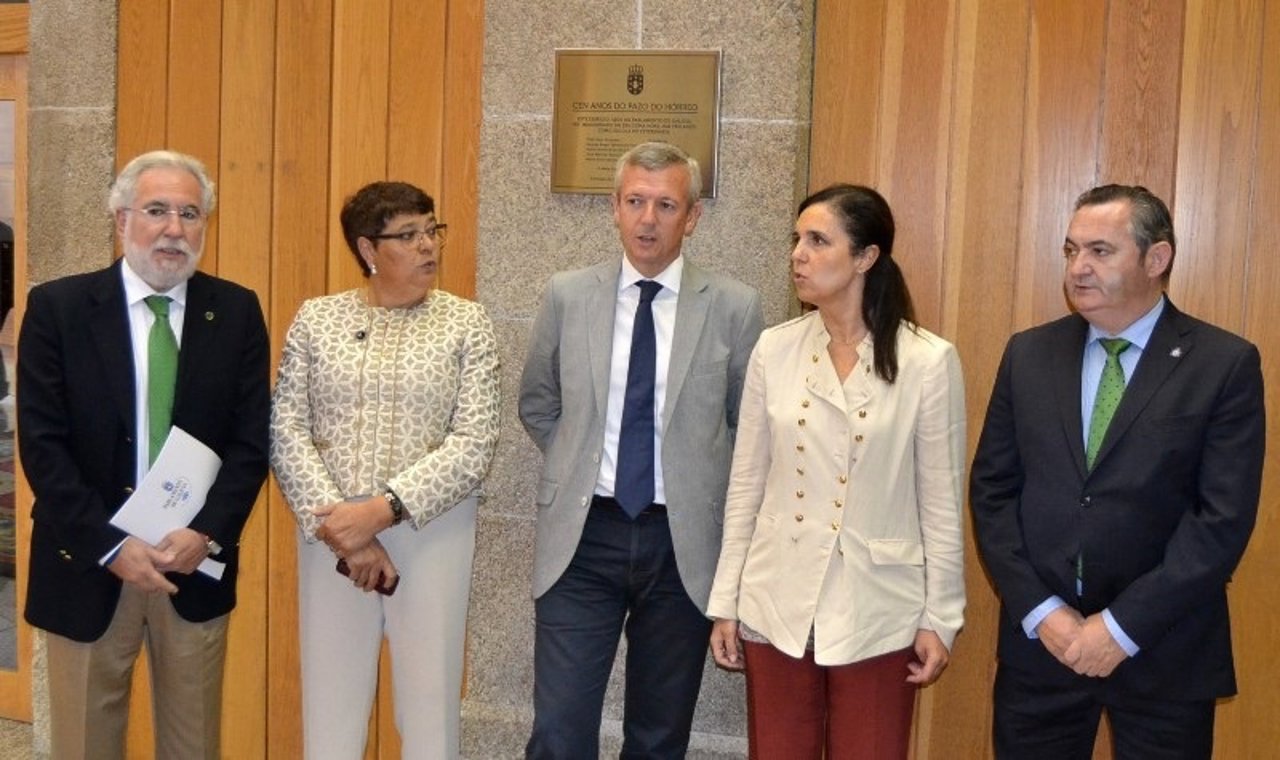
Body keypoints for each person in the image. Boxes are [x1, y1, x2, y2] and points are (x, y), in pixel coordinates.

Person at [970, 184, 1266, 758]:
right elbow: (992, 492)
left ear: (1157, 259)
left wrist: (1119, 628)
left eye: (1100, 251)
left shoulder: (1223, 363)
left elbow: (1221, 519)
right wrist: (1043, 613)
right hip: (1043, 650)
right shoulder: (1028, 354)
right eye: (1071, 250)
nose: (1078, 267)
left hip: (1166, 651)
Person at [18, 150, 270, 759]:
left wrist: (206, 533)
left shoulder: (235, 311)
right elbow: (43, 446)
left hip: (192, 566)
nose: (174, 229)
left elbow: (251, 442)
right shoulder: (58, 309)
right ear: (121, 219)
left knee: (194, 746)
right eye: (157, 210)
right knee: (84, 746)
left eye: (190, 213)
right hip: (88, 563)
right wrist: (111, 545)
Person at [519, 141, 764, 758]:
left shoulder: (734, 307)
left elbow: (747, 426)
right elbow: (538, 402)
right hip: (583, 538)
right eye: (635, 202)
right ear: (614, 207)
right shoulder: (568, 294)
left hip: (681, 545)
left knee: (659, 737)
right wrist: (579, 461)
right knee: (559, 730)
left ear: (693, 216)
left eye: (665, 205)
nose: (647, 219)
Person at [706, 184, 966, 758]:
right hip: (777, 596)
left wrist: (941, 618)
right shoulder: (775, 349)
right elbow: (746, 485)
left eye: (818, 241)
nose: (798, 254)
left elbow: (941, 504)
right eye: (797, 239)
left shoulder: (927, 361)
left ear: (866, 257)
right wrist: (726, 601)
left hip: (879, 604)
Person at [271, 180, 499, 759]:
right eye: (408, 235)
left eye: (432, 230)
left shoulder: (465, 323)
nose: (428, 246)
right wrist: (344, 530)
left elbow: (475, 442)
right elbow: (286, 429)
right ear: (368, 249)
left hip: (431, 533)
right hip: (333, 539)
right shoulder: (318, 319)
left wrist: (383, 510)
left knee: (429, 711)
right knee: (332, 707)